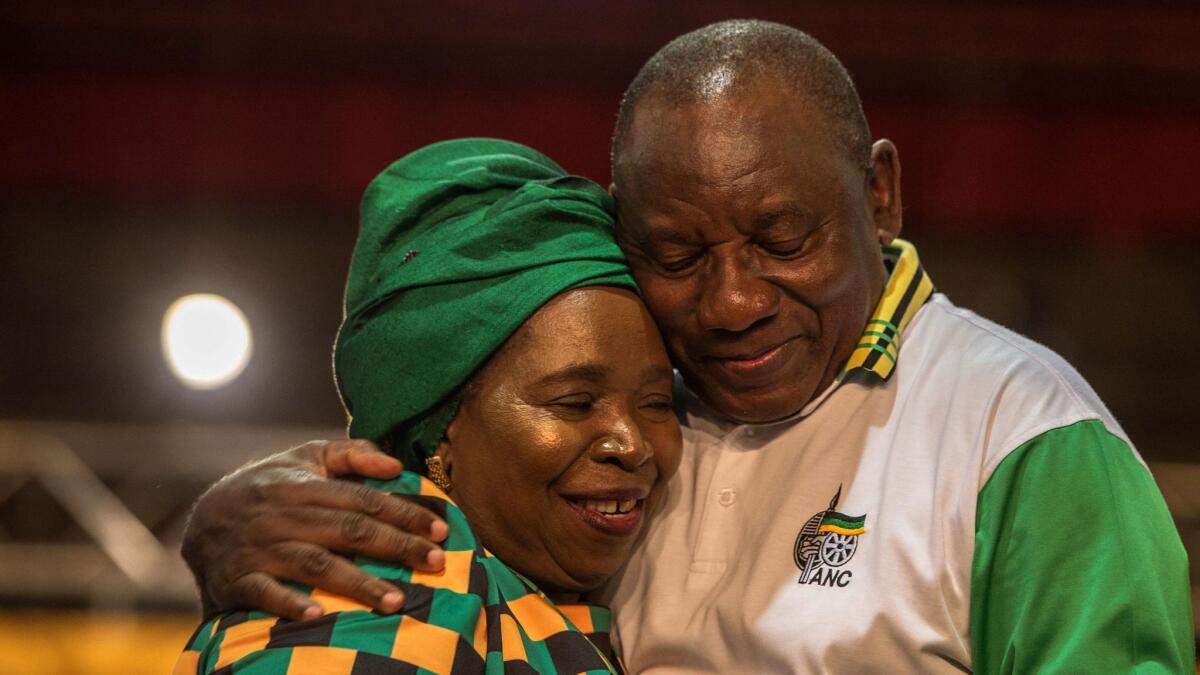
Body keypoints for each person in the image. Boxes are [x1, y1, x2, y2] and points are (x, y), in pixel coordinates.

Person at [181, 20, 1194, 673]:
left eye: (782, 239)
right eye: (676, 253)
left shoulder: (1019, 433)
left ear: (879, 194)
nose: (732, 299)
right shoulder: (650, 402)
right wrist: (226, 521)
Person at [174, 138, 682, 674]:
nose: (633, 443)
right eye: (575, 402)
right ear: (439, 425)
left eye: (656, 401)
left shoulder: (536, 598)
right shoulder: (398, 580)